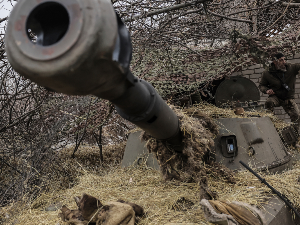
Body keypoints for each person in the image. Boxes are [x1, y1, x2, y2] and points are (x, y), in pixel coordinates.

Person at [259, 53, 300, 134]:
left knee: (297, 116)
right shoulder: (267, 73)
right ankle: (272, 124)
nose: (284, 62)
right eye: (281, 60)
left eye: (284, 59)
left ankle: (295, 136)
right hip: (276, 97)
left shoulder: (291, 68)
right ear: (275, 62)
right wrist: (267, 90)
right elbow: (261, 85)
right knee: (268, 102)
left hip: (288, 98)